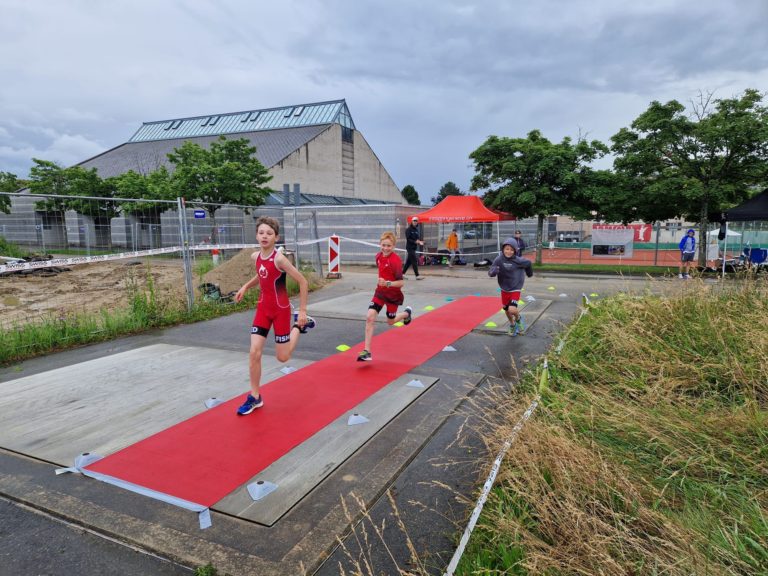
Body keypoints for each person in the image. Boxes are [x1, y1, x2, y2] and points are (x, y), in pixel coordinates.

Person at [233, 216, 315, 415]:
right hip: (263, 309)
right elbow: (262, 273)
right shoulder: (255, 256)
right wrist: (245, 286)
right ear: (256, 235)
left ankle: (299, 326)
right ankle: (255, 396)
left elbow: (303, 282)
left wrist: (302, 310)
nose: (264, 236)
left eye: (269, 233)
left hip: (280, 311)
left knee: (283, 357)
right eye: (261, 232)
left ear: (276, 238)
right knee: (254, 352)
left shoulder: (279, 258)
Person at [357, 232, 413, 362]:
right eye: (383, 245)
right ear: (380, 244)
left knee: (391, 322)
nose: (386, 248)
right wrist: (382, 284)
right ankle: (367, 351)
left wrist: (388, 283)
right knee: (370, 317)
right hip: (380, 293)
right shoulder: (378, 257)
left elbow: (401, 283)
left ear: (393, 246)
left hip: (393, 296)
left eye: (389, 246)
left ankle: (406, 313)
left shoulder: (396, 261)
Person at [489, 238, 533, 336]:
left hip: (515, 287)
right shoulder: (499, 259)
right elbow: (490, 272)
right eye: (507, 249)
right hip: (504, 288)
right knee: (507, 310)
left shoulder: (518, 260)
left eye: (511, 250)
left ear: (515, 251)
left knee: (512, 309)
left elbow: (528, 263)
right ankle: (512, 325)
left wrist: (529, 273)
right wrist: (493, 272)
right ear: (503, 249)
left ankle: (518, 319)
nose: (509, 252)